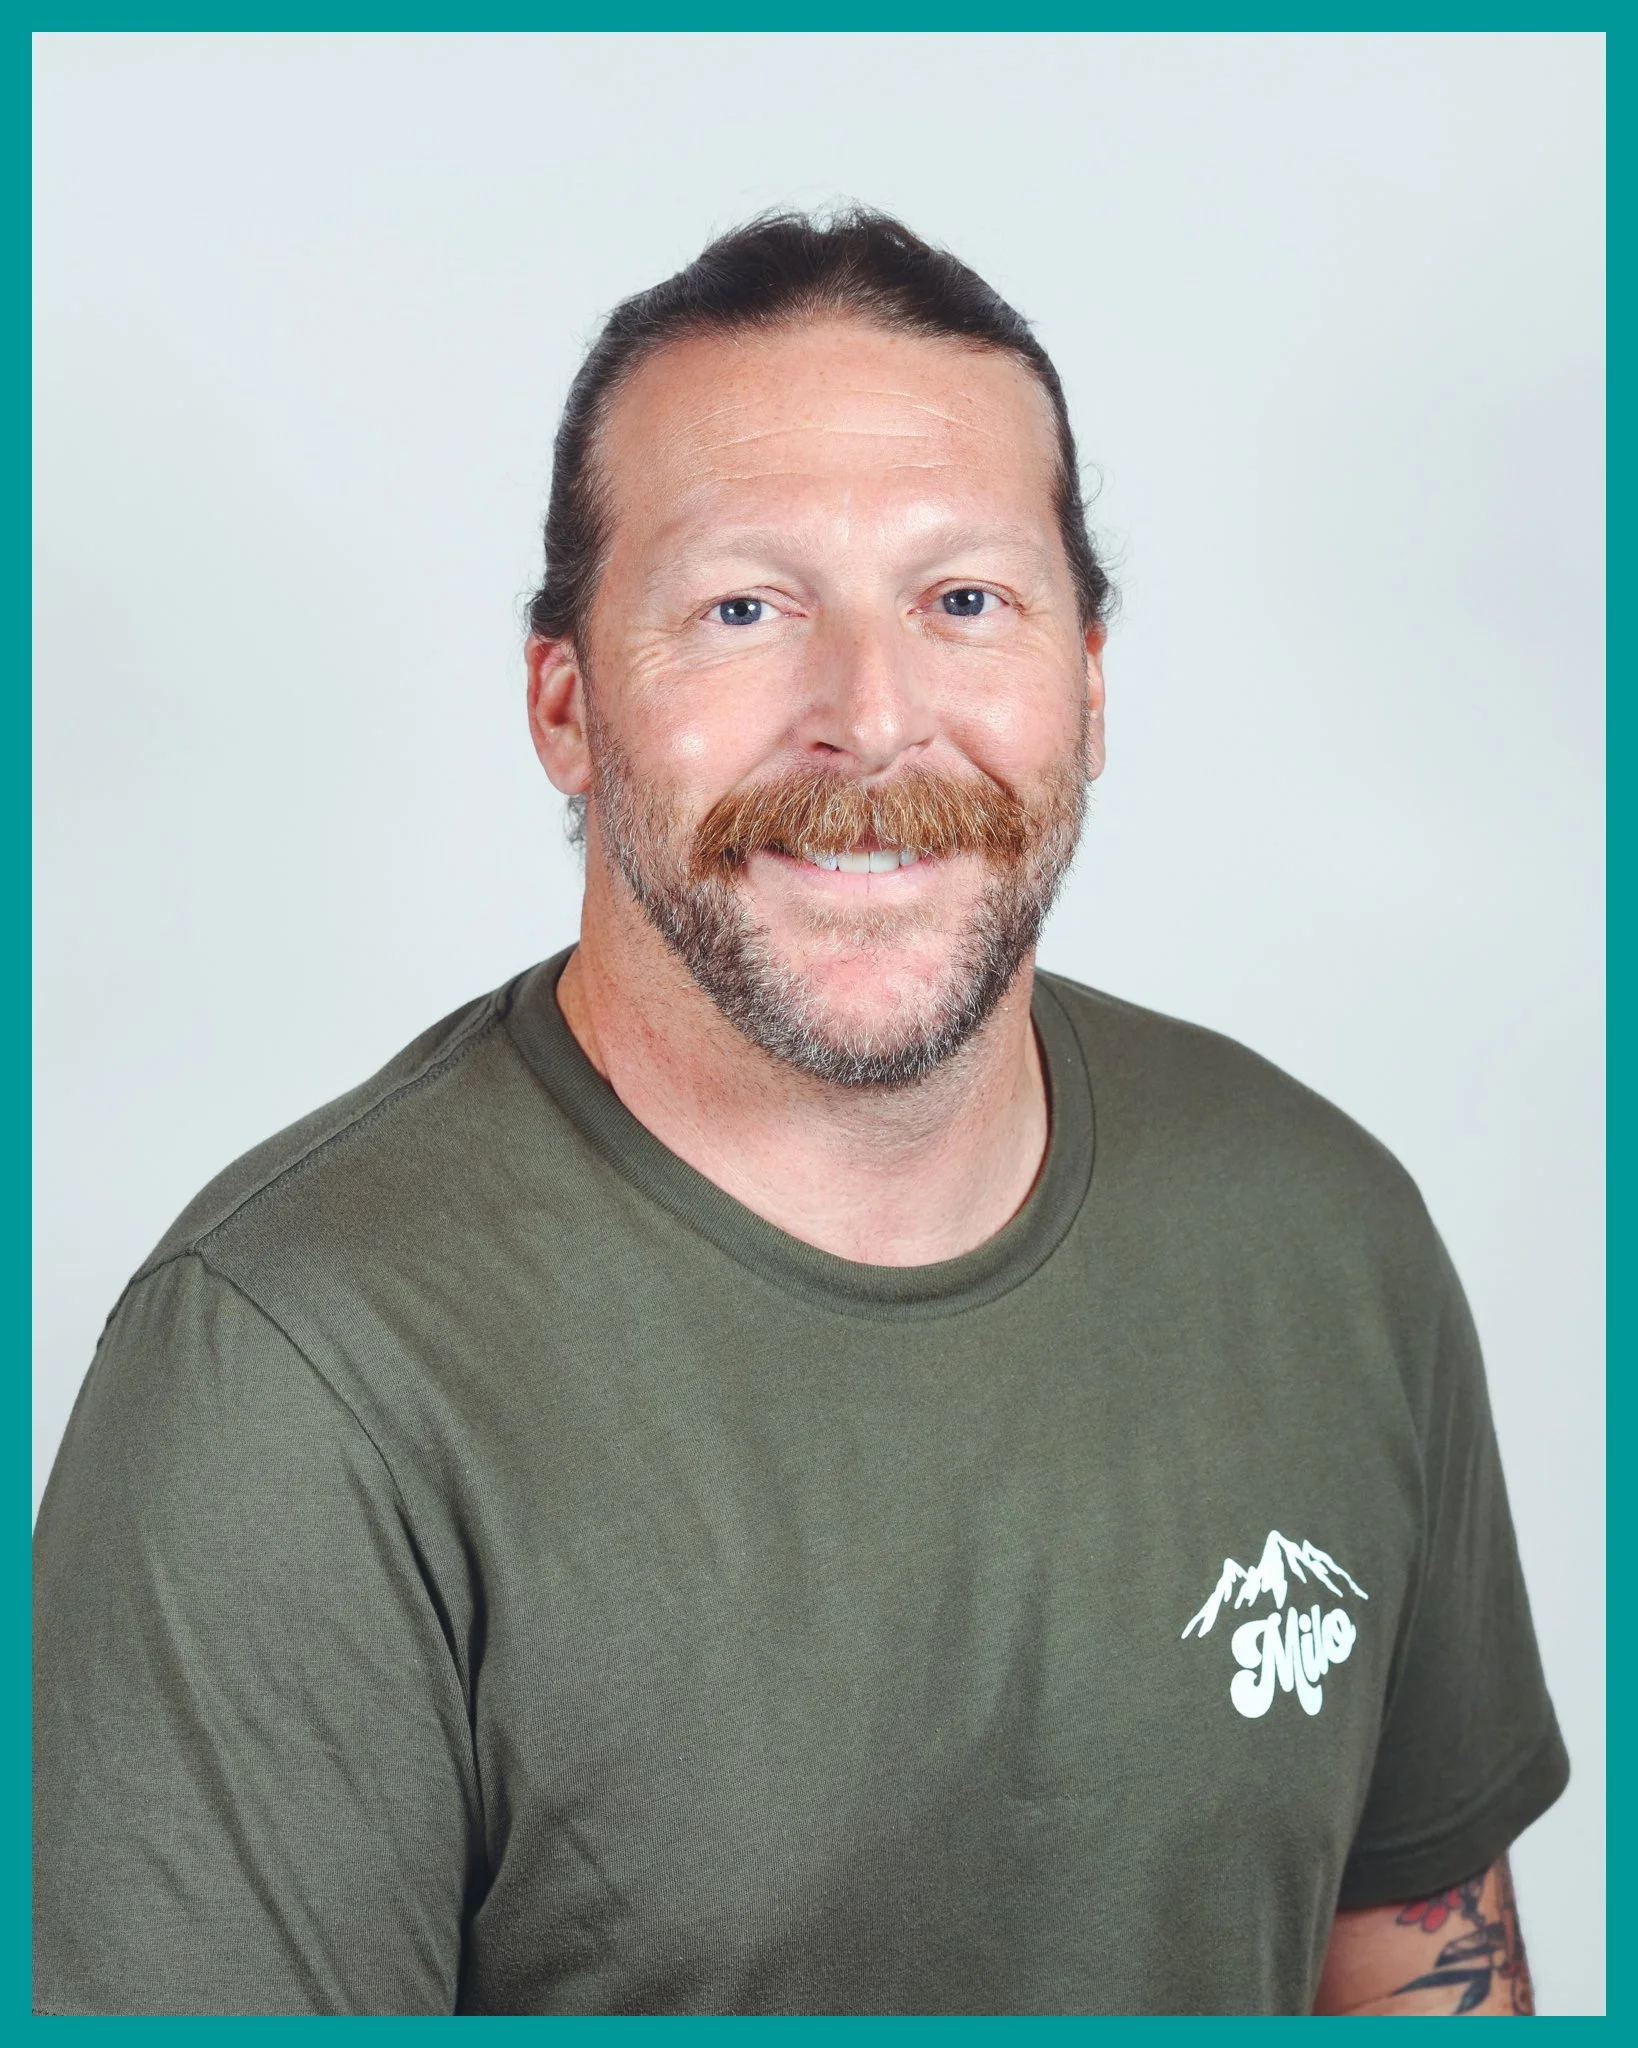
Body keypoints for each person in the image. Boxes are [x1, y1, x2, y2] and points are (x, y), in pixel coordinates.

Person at [32, 208, 1568, 2017]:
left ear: (1087, 683)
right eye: (743, 610)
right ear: (564, 705)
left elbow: (1415, 1964)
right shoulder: (290, 1379)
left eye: (963, 600)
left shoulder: (1321, 1232)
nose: (869, 719)